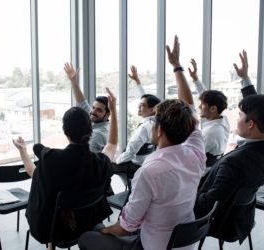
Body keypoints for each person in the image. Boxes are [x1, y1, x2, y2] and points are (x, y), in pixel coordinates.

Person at [78, 35, 206, 250]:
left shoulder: (150, 172)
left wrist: (104, 230)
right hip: (185, 243)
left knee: (87, 239)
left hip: (152, 246)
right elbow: (190, 109)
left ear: (160, 130)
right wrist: (176, 67)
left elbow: (126, 227)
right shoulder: (195, 153)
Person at [194, 50, 264, 243]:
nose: (237, 118)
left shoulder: (235, 163)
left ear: (251, 124)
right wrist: (245, 79)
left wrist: (183, 193)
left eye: (241, 115)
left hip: (221, 222)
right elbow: (262, 112)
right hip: (242, 217)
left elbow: (205, 205)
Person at [13, 88, 118, 248]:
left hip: (57, 230)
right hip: (88, 221)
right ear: (90, 130)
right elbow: (112, 144)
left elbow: (33, 173)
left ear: (65, 131)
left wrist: (23, 151)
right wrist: (114, 110)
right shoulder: (100, 162)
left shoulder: (51, 159)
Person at [113, 66, 161, 179]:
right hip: (146, 163)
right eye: (139, 105)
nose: (139, 107)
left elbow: (130, 152)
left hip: (135, 166)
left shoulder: (144, 128)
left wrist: (117, 160)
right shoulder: (157, 122)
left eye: (142, 106)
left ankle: (108, 194)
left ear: (152, 109)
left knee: (107, 165)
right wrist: (137, 82)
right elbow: (147, 99)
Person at [188, 59, 230, 167]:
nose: (199, 107)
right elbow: (205, 94)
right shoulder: (222, 118)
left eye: (202, 105)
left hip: (200, 175)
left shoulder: (210, 133)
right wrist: (195, 78)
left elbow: (189, 157)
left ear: (213, 109)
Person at [64, 63, 109, 153]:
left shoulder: (97, 135)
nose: (93, 112)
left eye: (99, 110)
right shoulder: (96, 118)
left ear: (107, 115)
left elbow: (84, 160)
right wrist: (73, 81)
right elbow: (82, 102)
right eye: (93, 107)